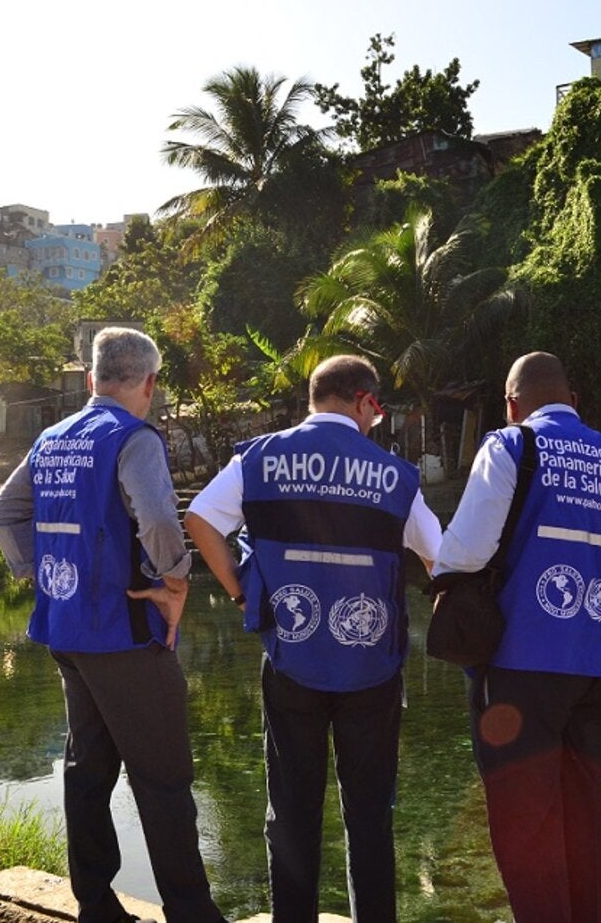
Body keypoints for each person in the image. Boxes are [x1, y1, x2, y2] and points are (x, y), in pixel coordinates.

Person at [184, 355, 441, 923]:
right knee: (368, 816)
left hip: (291, 657)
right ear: (364, 401)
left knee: (293, 811)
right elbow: (438, 557)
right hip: (371, 668)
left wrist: (239, 592)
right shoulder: (394, 475)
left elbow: (200, 518)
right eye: (378, 408)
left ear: (312, 397)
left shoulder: (260, 458)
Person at [0, 327, 225, 923]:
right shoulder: (133, 437)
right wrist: (177, 583)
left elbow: (4, 512)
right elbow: (159, 520)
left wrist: (38, 572)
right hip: (122, 633)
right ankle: (193, 913)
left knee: (87, 767)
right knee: (165, 777)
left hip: (66, 629)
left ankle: (95, 902)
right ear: (149, 383)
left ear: (92, 380)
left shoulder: (52, 437)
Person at [432, 352, 601, 923]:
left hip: (520, 666)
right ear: (574, 402)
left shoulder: (511, 447)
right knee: (585, 808)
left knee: (524, 819)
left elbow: (463, 551)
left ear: (512, 404)